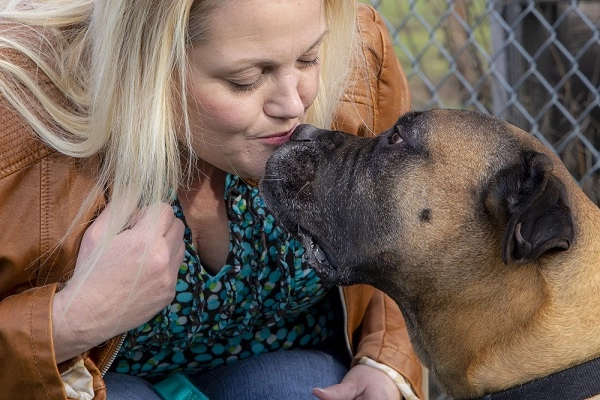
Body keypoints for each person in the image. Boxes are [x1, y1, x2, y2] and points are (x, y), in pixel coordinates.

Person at [0, 0, 423, 399]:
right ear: (147, 61)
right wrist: (70, 320)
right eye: (246, 80)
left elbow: (408, 233)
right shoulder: (14, 113)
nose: (294, 103)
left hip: (294, 365)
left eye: (309, 59)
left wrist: (385, 363)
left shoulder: (359, 51)